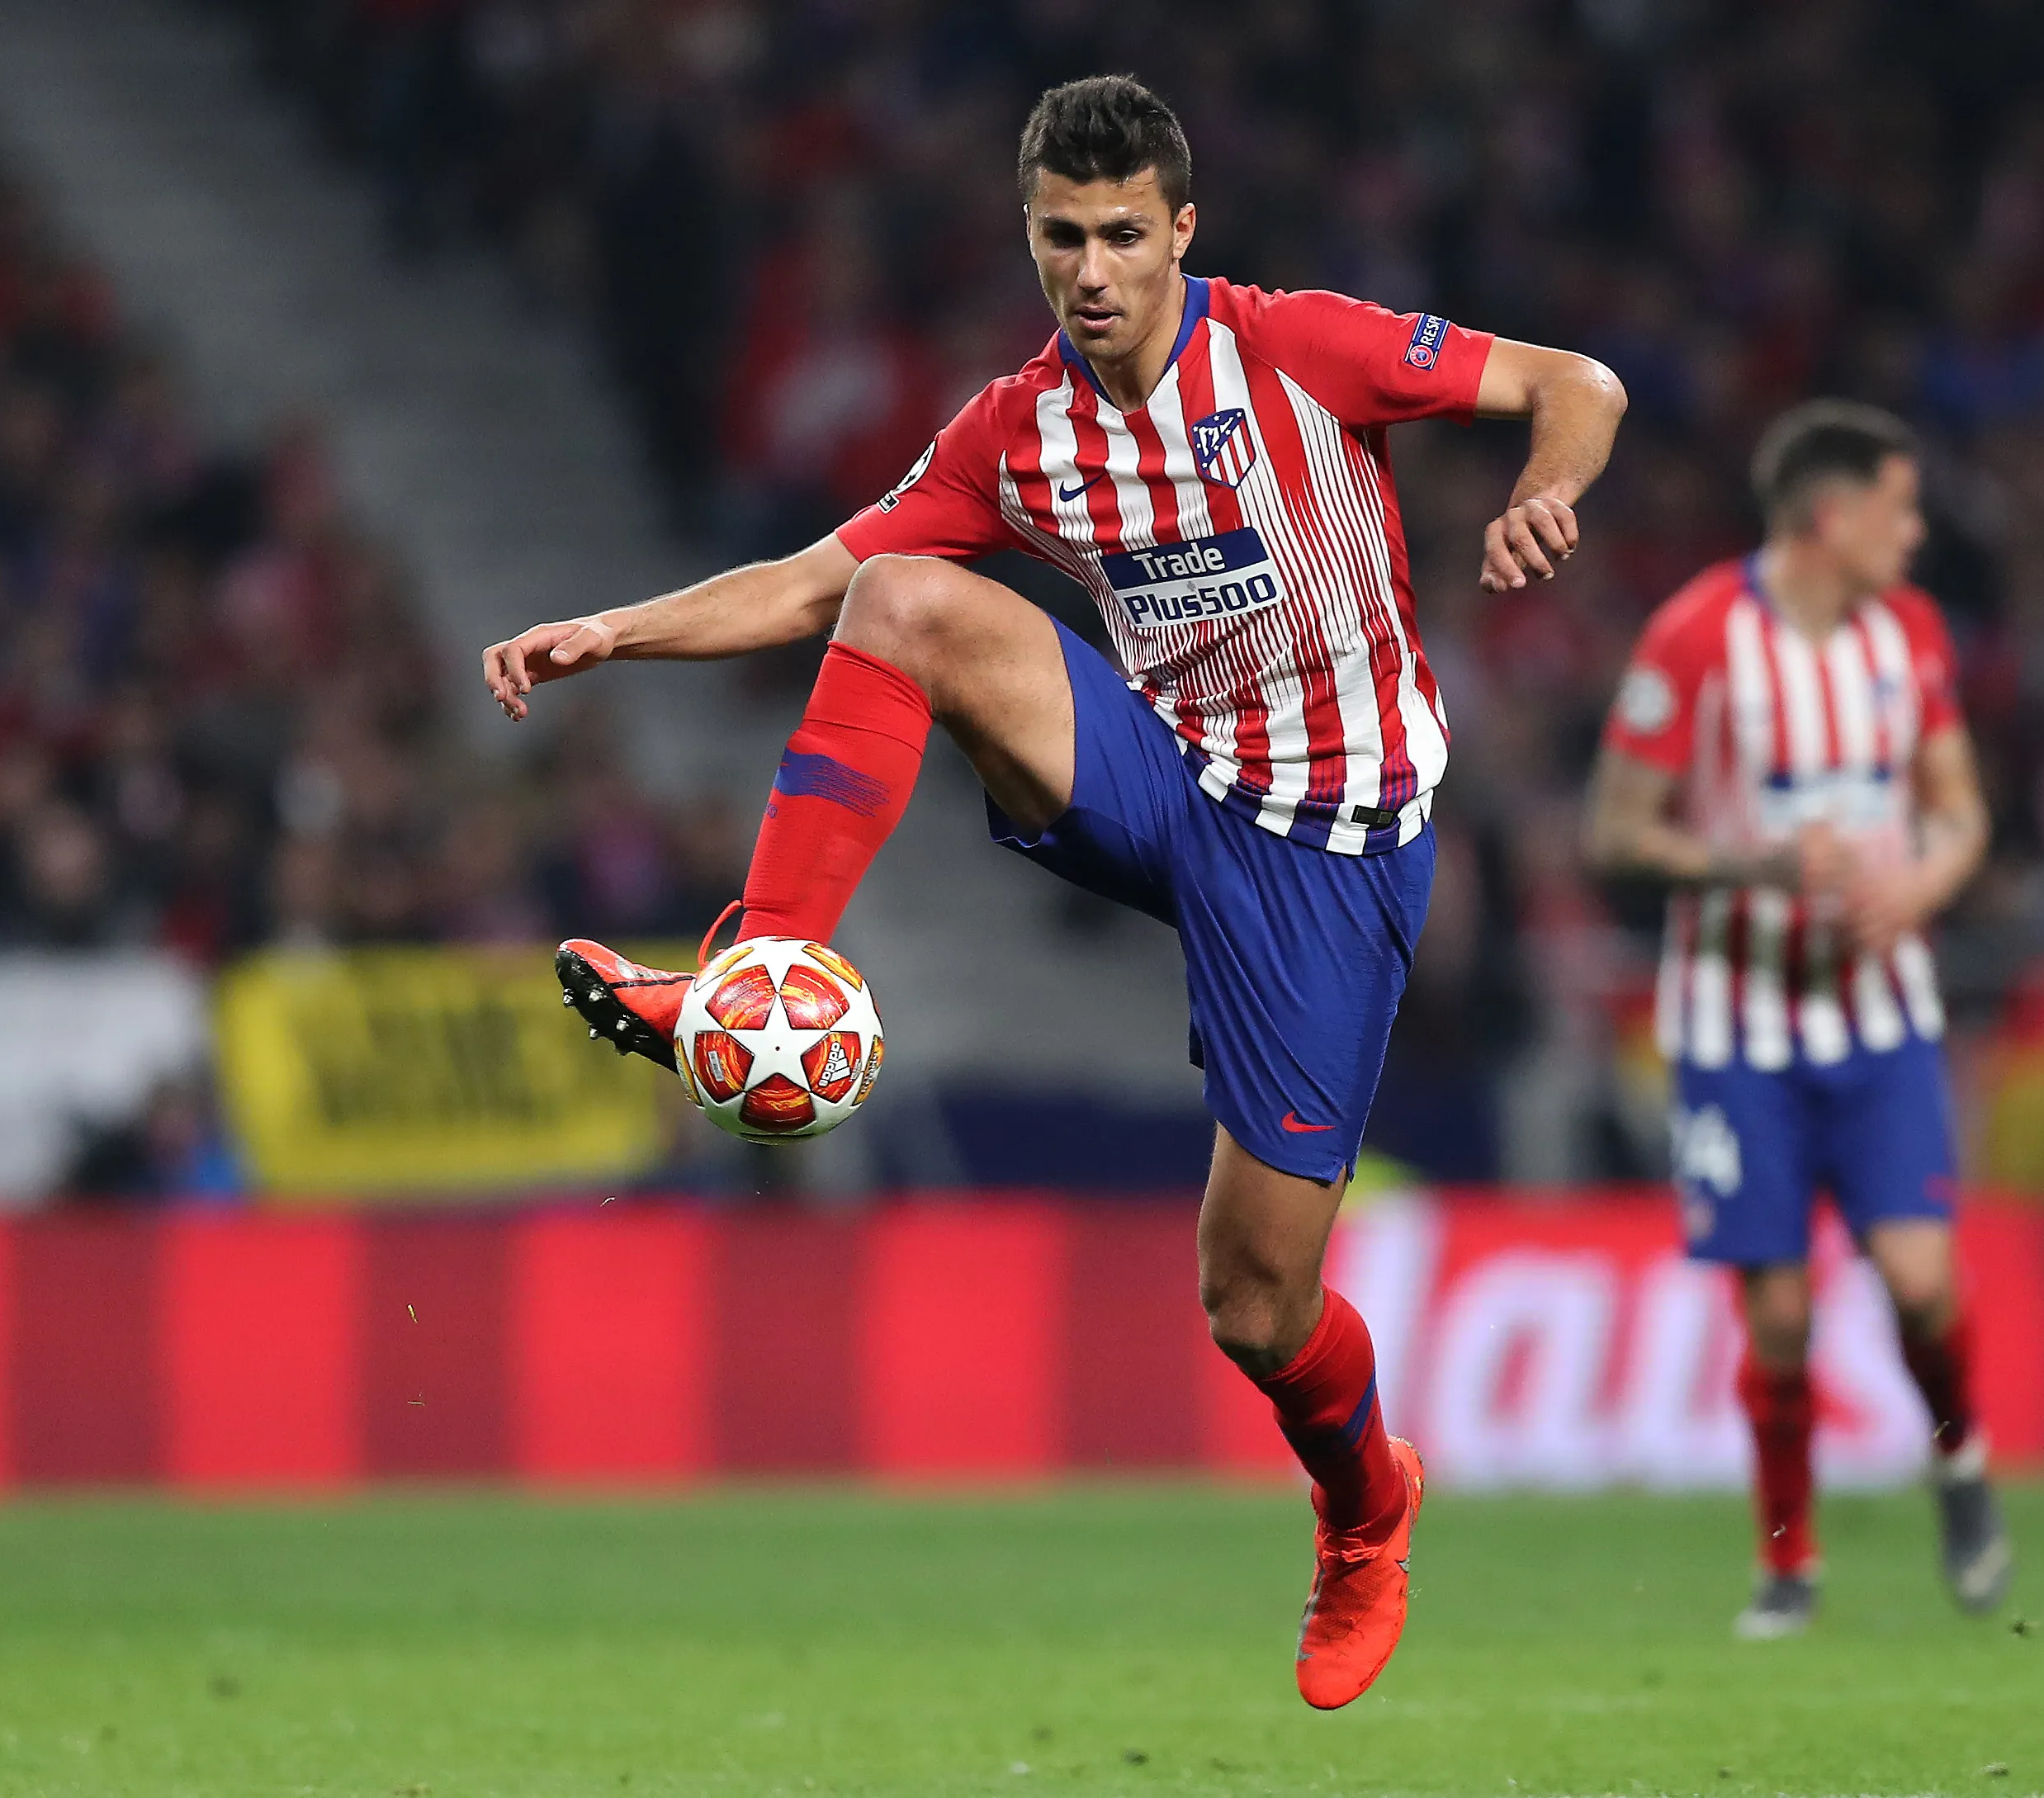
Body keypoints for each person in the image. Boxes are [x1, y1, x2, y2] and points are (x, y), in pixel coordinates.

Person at [481, 75, 1626, 1707]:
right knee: (902, 598)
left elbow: (1571, 381)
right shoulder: (1020, 427)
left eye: (1115, 237)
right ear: (1027, 239)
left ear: (1179, 232)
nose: (1087, 272)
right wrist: (611, 629)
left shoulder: (1299, 348)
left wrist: (1544, 487)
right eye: (1055, 240)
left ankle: (1366, 1510)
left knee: (1252, 1300)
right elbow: (815, 582)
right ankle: (756, 968)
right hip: (1161, 786)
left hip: (1328, 849)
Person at [1584, 399, 2010, 1639]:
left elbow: (1959, 810)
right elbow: (1612, 830)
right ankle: (1788, 1559)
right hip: (1732, 1027)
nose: (1915, 533)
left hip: (1877, 1020)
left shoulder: (1910, 634)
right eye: (1898, 508)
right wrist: (1757, 867)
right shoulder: (1696, 636)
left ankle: (1961, 1463)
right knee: (1776, 1313)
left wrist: (1915, 889)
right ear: (1830, 517)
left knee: (1921, 1282)